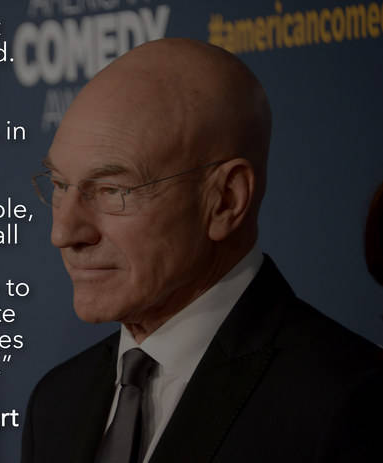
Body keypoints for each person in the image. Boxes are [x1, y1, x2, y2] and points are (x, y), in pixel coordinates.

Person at [22, 38, 383, 463]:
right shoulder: (57, 402)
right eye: (60, 185)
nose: (64, 232)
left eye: (112, 190)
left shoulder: (348, 403)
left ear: (225, 200)